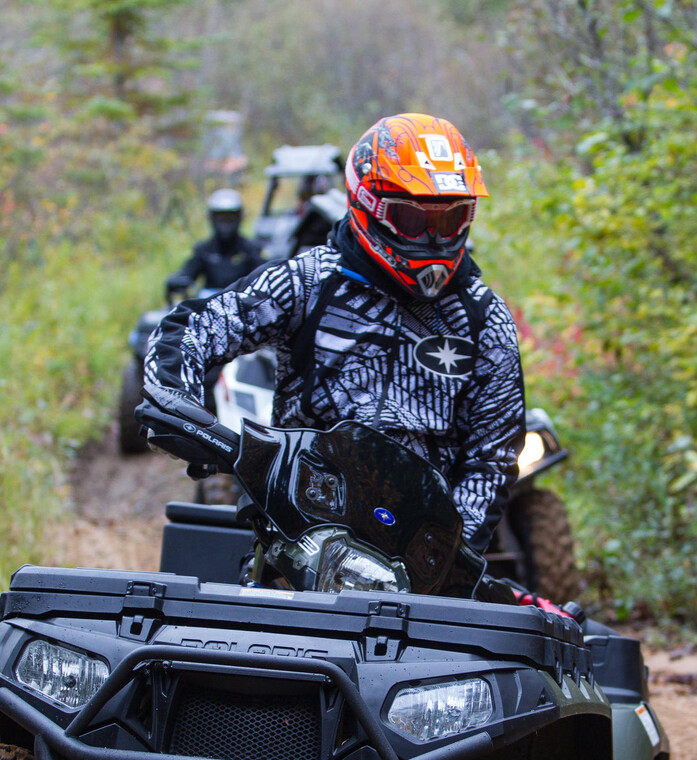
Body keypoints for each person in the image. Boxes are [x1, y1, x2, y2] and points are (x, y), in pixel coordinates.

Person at [144, 113, 525, 555]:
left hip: (423, 555)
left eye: (449, 219)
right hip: (299, 532)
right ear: (369, 203)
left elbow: (493, 457)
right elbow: (195, 324)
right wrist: (176, 403)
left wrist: (450, 556)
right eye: (412, 219)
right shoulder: (309, 282)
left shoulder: (484, 318)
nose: (434, 238)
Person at [164, 188, 265, 300]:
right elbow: (187, 274)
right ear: (212, 218)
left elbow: (264, 277)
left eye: (230, 218)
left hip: (244, 305)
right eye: (221, 218)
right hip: (209, 305)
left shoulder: (250, 249)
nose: (225, 224)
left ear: (239, 217)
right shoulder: (204, 249)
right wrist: (178, 280)